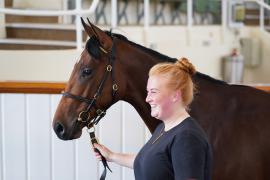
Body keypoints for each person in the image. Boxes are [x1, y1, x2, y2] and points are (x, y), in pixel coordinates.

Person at [94, 57, 213, 180]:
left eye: (153, 92)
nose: (147, 99)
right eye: (148, 92)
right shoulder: (164, 128)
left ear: (175, 95)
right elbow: (149, 162)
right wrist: (111, 156)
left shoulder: (186, 138)